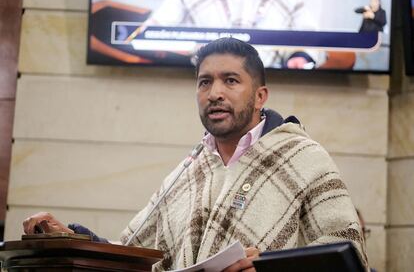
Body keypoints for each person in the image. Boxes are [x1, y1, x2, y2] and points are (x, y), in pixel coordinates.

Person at [23, 38, 368, 271]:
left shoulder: (305, 157)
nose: (214, 93)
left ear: (260, 95)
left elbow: (349, 254)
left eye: (230, 81)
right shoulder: (186, 172)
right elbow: (132, 255)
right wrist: (68, 239)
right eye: (205, 82)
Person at [127, 0, 324, 69]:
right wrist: (186, 46)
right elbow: (149, 34)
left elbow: (310, 39)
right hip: (204, 82)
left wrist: (301, 57)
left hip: (269, 82)